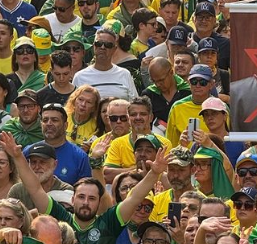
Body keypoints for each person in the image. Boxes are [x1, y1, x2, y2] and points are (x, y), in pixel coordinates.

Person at [0, 129, 171, 244]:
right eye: (81, 197)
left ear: (99, 203)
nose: (86, 202)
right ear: (73, 199)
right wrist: (17, 157)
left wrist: (154, 173)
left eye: (92, 198)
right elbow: (35, 188)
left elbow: (135, 198)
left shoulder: (109, 221)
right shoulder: (61, 217)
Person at [104, 96, 172, 183]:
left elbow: (167, 174)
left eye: (143, 114)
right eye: (133, 114)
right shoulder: (117, 143)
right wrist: (141, 169)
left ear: (151, 117)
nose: (138, 117)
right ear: (128, 118)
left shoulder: (164, 143)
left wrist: (123, 170)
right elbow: (107, 175)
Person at [22, 103, 91, 185]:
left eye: (54, 120)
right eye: (45, 120)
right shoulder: (29, 151)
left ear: (65, 125)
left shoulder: (80, 157)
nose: (49, 124)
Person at [72, 28, 138, 100]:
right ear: (94, 46)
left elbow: (134, 103)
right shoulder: (80, 77)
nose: (102, 47)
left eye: (108, 45)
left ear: (114, 49)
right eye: (99, 44)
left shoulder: (125, 74)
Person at [8, 143, 73, 210]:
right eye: (33, 162)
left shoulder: (65, 190)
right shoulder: (18, 191)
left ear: (54, 164)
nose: (37, 167)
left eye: (42, 162)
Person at [150, 147, 199, 222]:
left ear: (193, 170)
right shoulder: (156, 202)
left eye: (181, 170)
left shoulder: (202, 201)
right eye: (171, 169)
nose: (175, 175)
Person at [141, 57, 191, 126]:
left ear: (171, 72)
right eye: (154, 81)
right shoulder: (148, 95)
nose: (158, 84)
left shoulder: (187, 92)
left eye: (161, 80)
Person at [191, 2, 230, 71]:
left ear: (214, 21)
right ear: (194, 19)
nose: (203, 21)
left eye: (208, 18)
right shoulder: (187, 40)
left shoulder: (225, 44)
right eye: (200, 17)